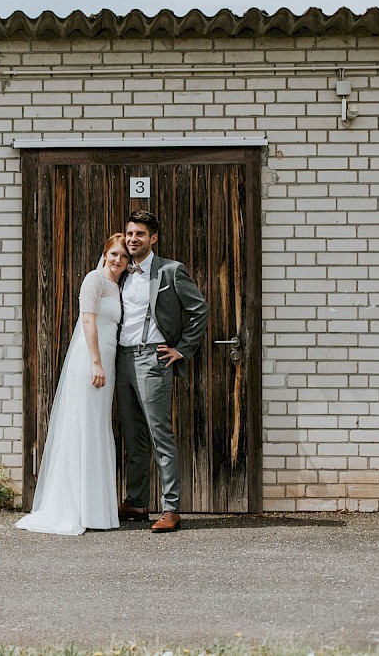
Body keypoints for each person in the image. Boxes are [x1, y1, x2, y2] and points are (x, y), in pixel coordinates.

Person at [16, 234, 130, 535]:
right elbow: (88, 320)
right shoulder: (94, 280)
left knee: (96, 427)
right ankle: (73, 506)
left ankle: (95, 509)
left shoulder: (118, 287)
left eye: (123, 256)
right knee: (82, 426)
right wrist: (95, 361)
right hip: (91, 360)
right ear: (104, 254)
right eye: (114, 254)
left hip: (107, 358)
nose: (118, 260)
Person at [115, 210, 209, 533]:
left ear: (153, 238)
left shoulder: (170, 271)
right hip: (123, 359)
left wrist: (182, 348)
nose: (132, 239)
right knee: (133, 434)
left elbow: (200, 309)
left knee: (160, 435)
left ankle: (171, 509)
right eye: (129, 233)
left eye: (139, 234)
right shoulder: (122, 273)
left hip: (153, 360)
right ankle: (137, 501)